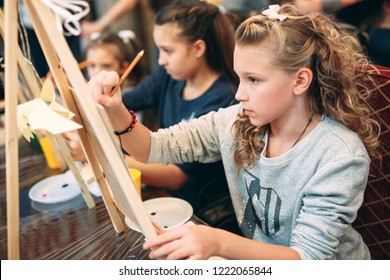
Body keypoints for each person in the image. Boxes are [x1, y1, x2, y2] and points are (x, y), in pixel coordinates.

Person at [87, 3, 381, 259]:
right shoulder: (235, 121)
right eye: (239, 77)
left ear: (300, 81)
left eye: (253, 79)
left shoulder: (339, 155)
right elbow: (151, 148)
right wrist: (115, 109)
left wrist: (218, 242)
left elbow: (306, 259)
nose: (239, 93)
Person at [68, 0, 240, 234]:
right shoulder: (169, 76)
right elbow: (126, 104)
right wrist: (99, 97)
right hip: (167, 198)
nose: (160, 61)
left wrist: (98, 156)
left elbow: (177, 176)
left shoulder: (224, 101)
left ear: (198, 48)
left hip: (203, 215)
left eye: (168, 51)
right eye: (159, 50)